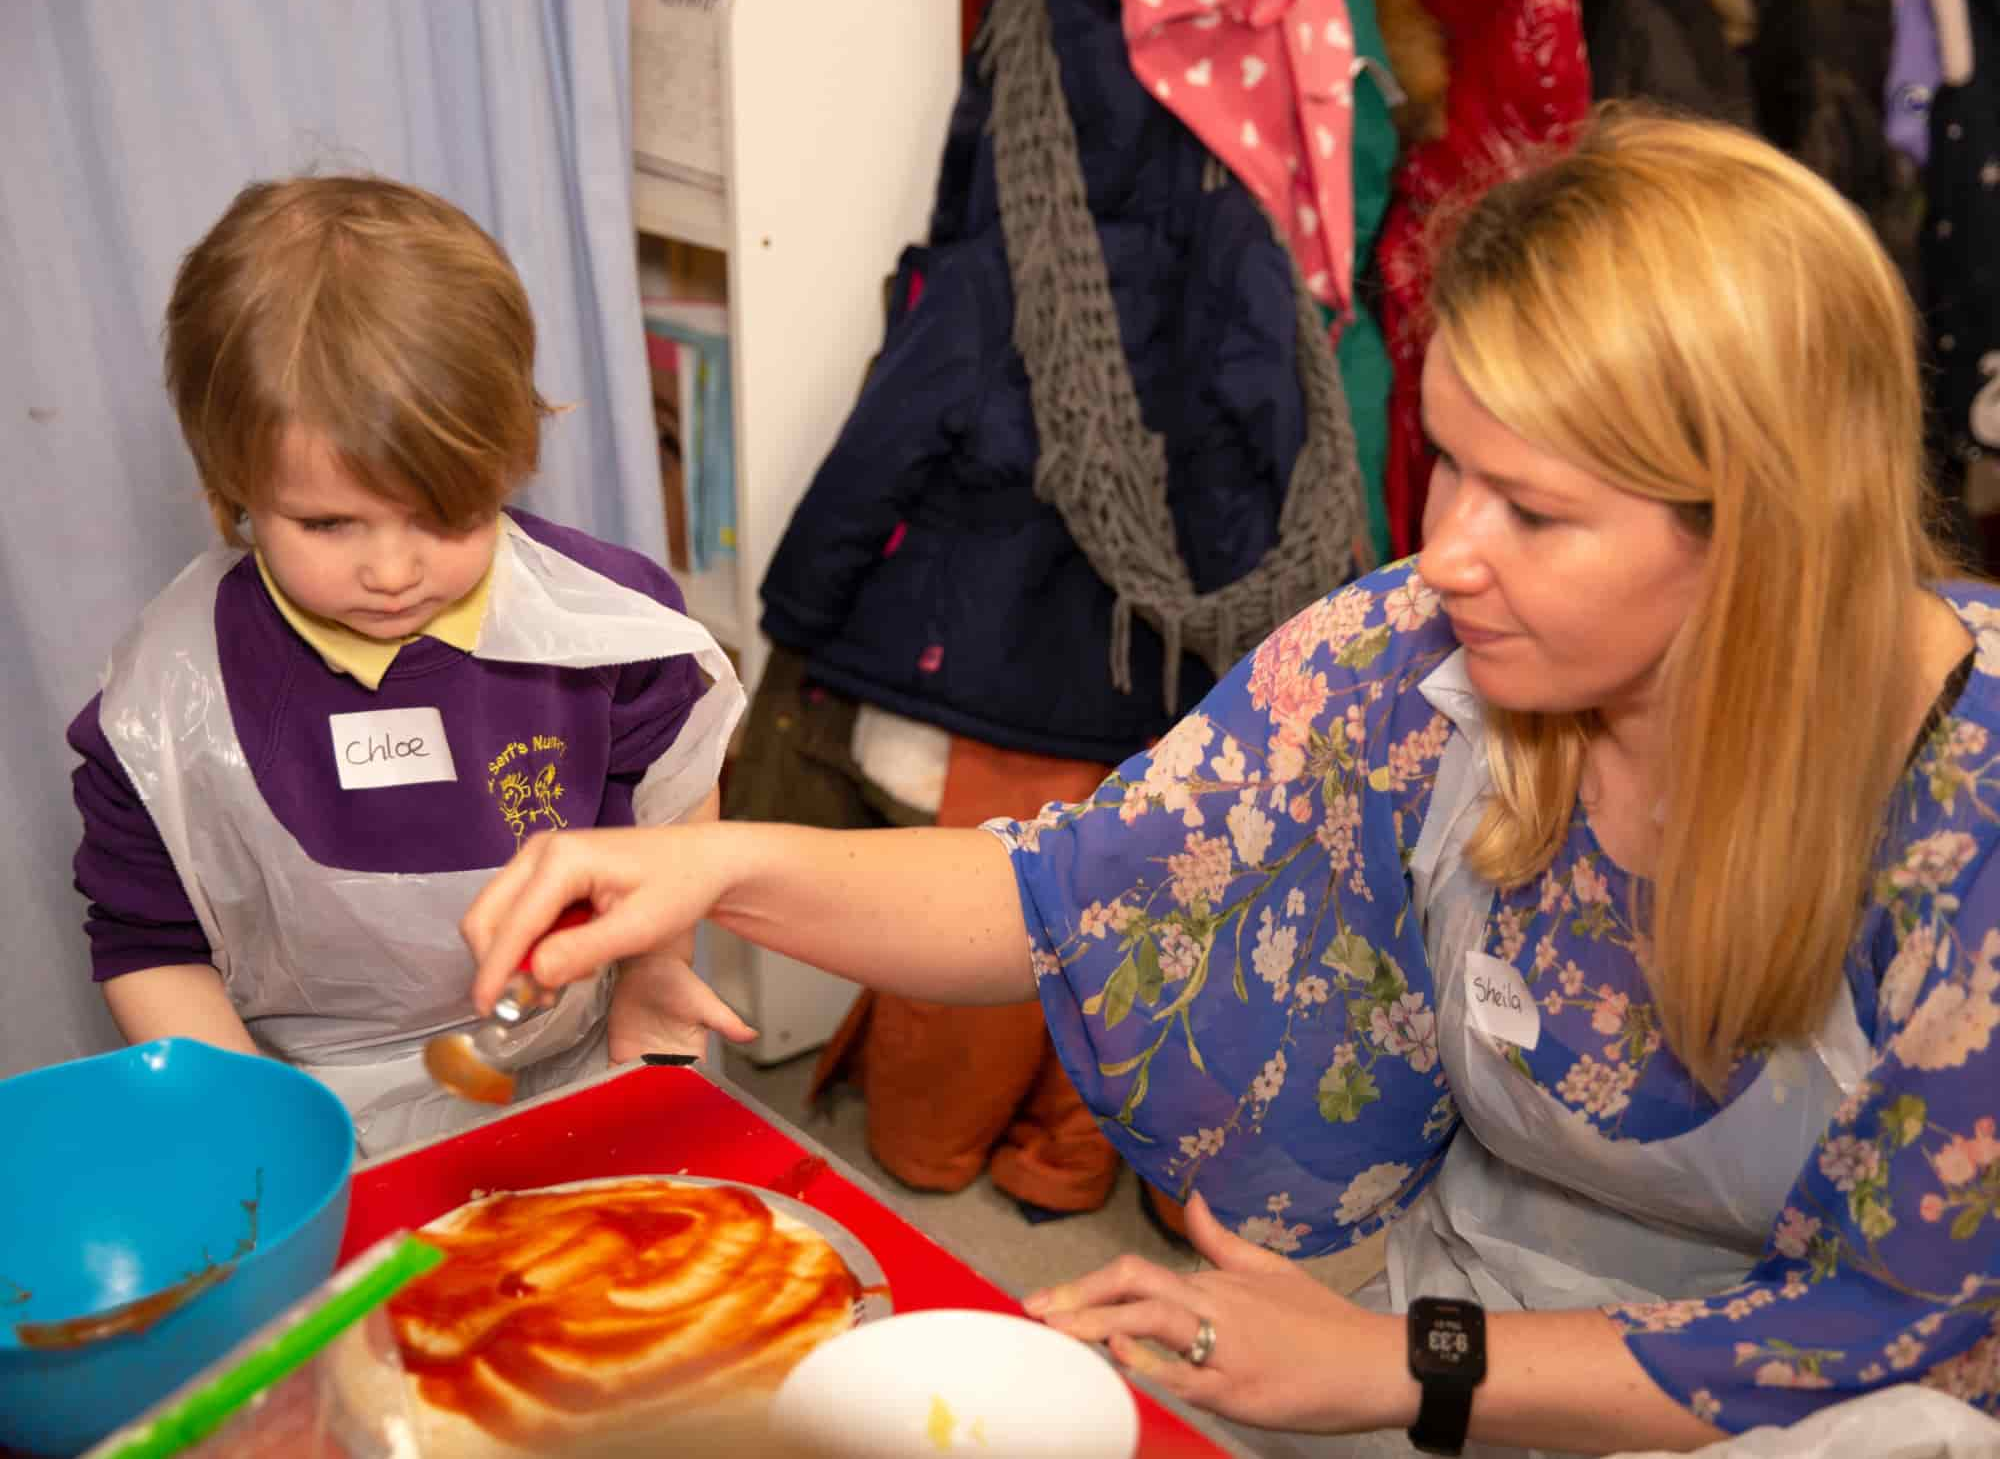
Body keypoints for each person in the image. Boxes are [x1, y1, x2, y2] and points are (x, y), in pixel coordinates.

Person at [459, 106, 2000, 1455]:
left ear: (1764, 530)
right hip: (1450, 1355)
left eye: (1532, 510)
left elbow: (1877, 1331)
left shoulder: (1972, 816)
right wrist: (724, 869)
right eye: (1445, 463)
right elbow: (1076, 892)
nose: (1448, 552)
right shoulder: (1417, 655)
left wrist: (1410, 1367)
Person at [66, 174, 751, 1158]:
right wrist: (271, 1136)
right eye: (328, 523)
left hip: (590, 1048)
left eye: (444, 514)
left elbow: (671, 816)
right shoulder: (162, 712)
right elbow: (147, 942)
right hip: (324, 1110)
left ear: (509, 453)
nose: (391, 573)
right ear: (232, 484)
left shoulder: (612, 628)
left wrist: (651, 968)